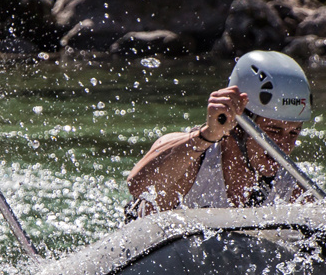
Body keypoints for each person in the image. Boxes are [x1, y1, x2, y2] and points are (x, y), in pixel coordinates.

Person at [126, 50, 315, 216]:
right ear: (239, 124)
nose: (284, 144)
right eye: (273, 131)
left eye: (293, 133)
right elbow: (137, 185)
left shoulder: (292, 188)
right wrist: (206, 135)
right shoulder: (190, 160)